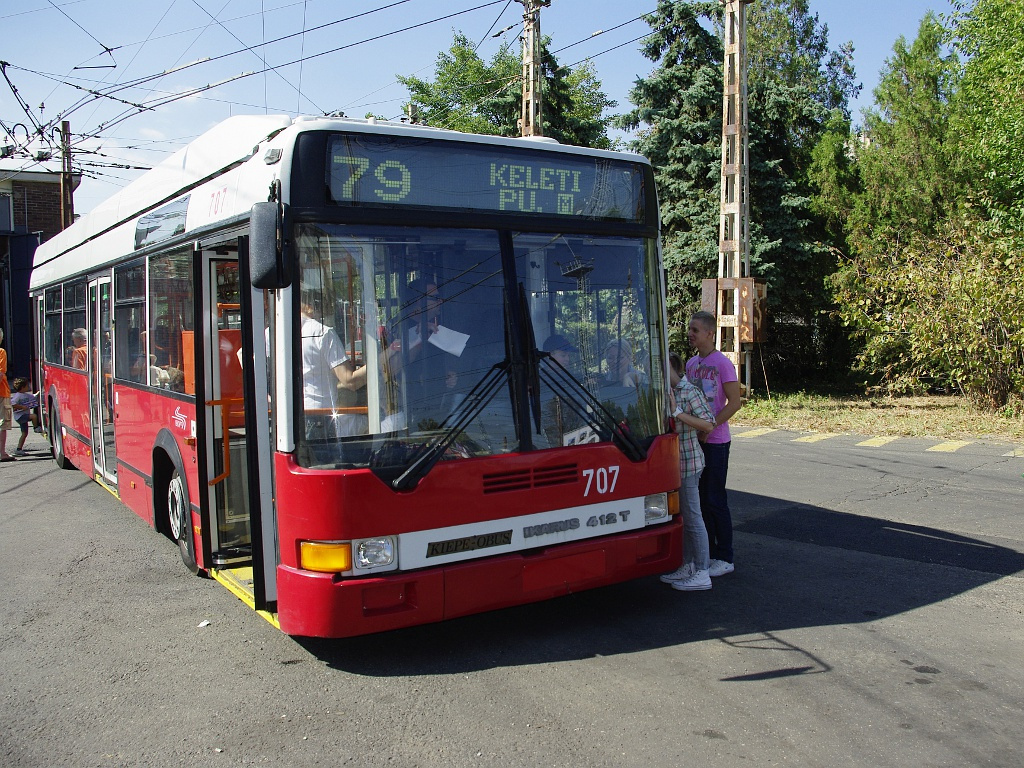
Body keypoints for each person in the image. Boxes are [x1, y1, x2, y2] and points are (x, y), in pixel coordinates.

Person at [686, 310, 743, 577]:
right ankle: (706, 553)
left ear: (710, 333)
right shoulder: (691, 364)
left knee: (715, 499)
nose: (691, 334)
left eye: (696, 330)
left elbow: (735, 402)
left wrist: (712, 427)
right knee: (699, 499)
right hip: (696, 439)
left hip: (717, 441)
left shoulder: (722, 363)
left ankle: (725, 556)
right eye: (690, 329)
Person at [660, 353, 716, 591]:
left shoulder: (689, 391)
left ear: (671, 368)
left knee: (694, 517)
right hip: (673, 465)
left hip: (689, 464)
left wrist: (678, 413)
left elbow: (709, 424)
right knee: (683, 517)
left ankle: (703, 571)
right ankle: (689, 564)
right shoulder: (666, 392)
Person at [300, 290, 367, 456]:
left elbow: (242, 355)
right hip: (320, 417)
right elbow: (349, 381)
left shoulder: (274, 332)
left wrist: (269, 397)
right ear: (310, 306)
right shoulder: (322, 333)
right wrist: (380, 361)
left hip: (293, 417)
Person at [9, 377, 41, 456]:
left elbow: (33, 397)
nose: (29, 387)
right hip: (20, 416)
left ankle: (19, 449)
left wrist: (38, 393)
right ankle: (36, 428)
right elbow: (12, 403)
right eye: (27, 386)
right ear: (22, 387)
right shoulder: (18, 396)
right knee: (34, 416)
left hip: (23, 416)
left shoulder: (25, 395)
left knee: (24, 433)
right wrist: (22, 407)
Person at [0, 328, 14, 462]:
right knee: (2, 424)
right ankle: (2, 453)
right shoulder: (1, 352)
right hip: (1, 393)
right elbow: (1, 373)